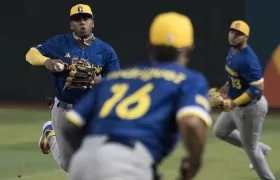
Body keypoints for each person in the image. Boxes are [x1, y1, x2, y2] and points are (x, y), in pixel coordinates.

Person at [62, 12, 212, 180]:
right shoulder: (189, 79)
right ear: (189, 49)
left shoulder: (115, 78)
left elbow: (69, 126)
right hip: (127, 164)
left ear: (149, 46)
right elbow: (191, 123)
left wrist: (91, 158)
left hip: (82, 163)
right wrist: (194, 163)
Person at [25, 4, 120, 172]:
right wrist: (47, 61)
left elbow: (117, 82)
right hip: (64, 108)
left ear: (92, 23)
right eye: (77, 20)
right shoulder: (58, 43)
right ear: (71, 25)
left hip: (92, 110)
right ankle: (49, 131)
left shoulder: (106, 51)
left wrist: (99, 81)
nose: (82, 23)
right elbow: (31, 54)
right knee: (69, 165)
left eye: (86, 19)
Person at [212, 20, 275, 180]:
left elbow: (256, 88)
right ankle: (263, 149)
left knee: (251, 149)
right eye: (232, 32)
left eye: (238, 34)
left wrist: (232, 103)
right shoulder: (232, 51)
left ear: (246, 37)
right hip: (235, 104)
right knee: (220, 131)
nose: (233, 36)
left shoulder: (249, 59)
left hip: (250, 108)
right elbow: (234, 78)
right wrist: (223, 91)